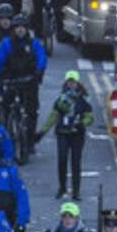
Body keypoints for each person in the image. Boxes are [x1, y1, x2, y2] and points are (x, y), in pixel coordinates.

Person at [0, 14, 47, 153]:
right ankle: (5, 136)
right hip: (11, 79)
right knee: (5, 106)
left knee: (31, 110)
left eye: (23, 27)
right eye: (17, 27)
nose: (20, 30)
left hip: (29, 79)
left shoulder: (33, 43)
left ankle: (30, 142)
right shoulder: (7, 43)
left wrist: (38, 72)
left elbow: (41, 58)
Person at [38, 70, 94, 200]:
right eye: (69, 82)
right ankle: (62, 188)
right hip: (63, 133)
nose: (71, 84)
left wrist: (82, 123)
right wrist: (43, 131)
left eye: (73, 82)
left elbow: (90, 117)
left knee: (76, 162)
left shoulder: (84, 100)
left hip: (77, 134)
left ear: (78, 83)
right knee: (62, 160)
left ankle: (76, 191)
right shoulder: (61, 99)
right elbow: (53, 116)